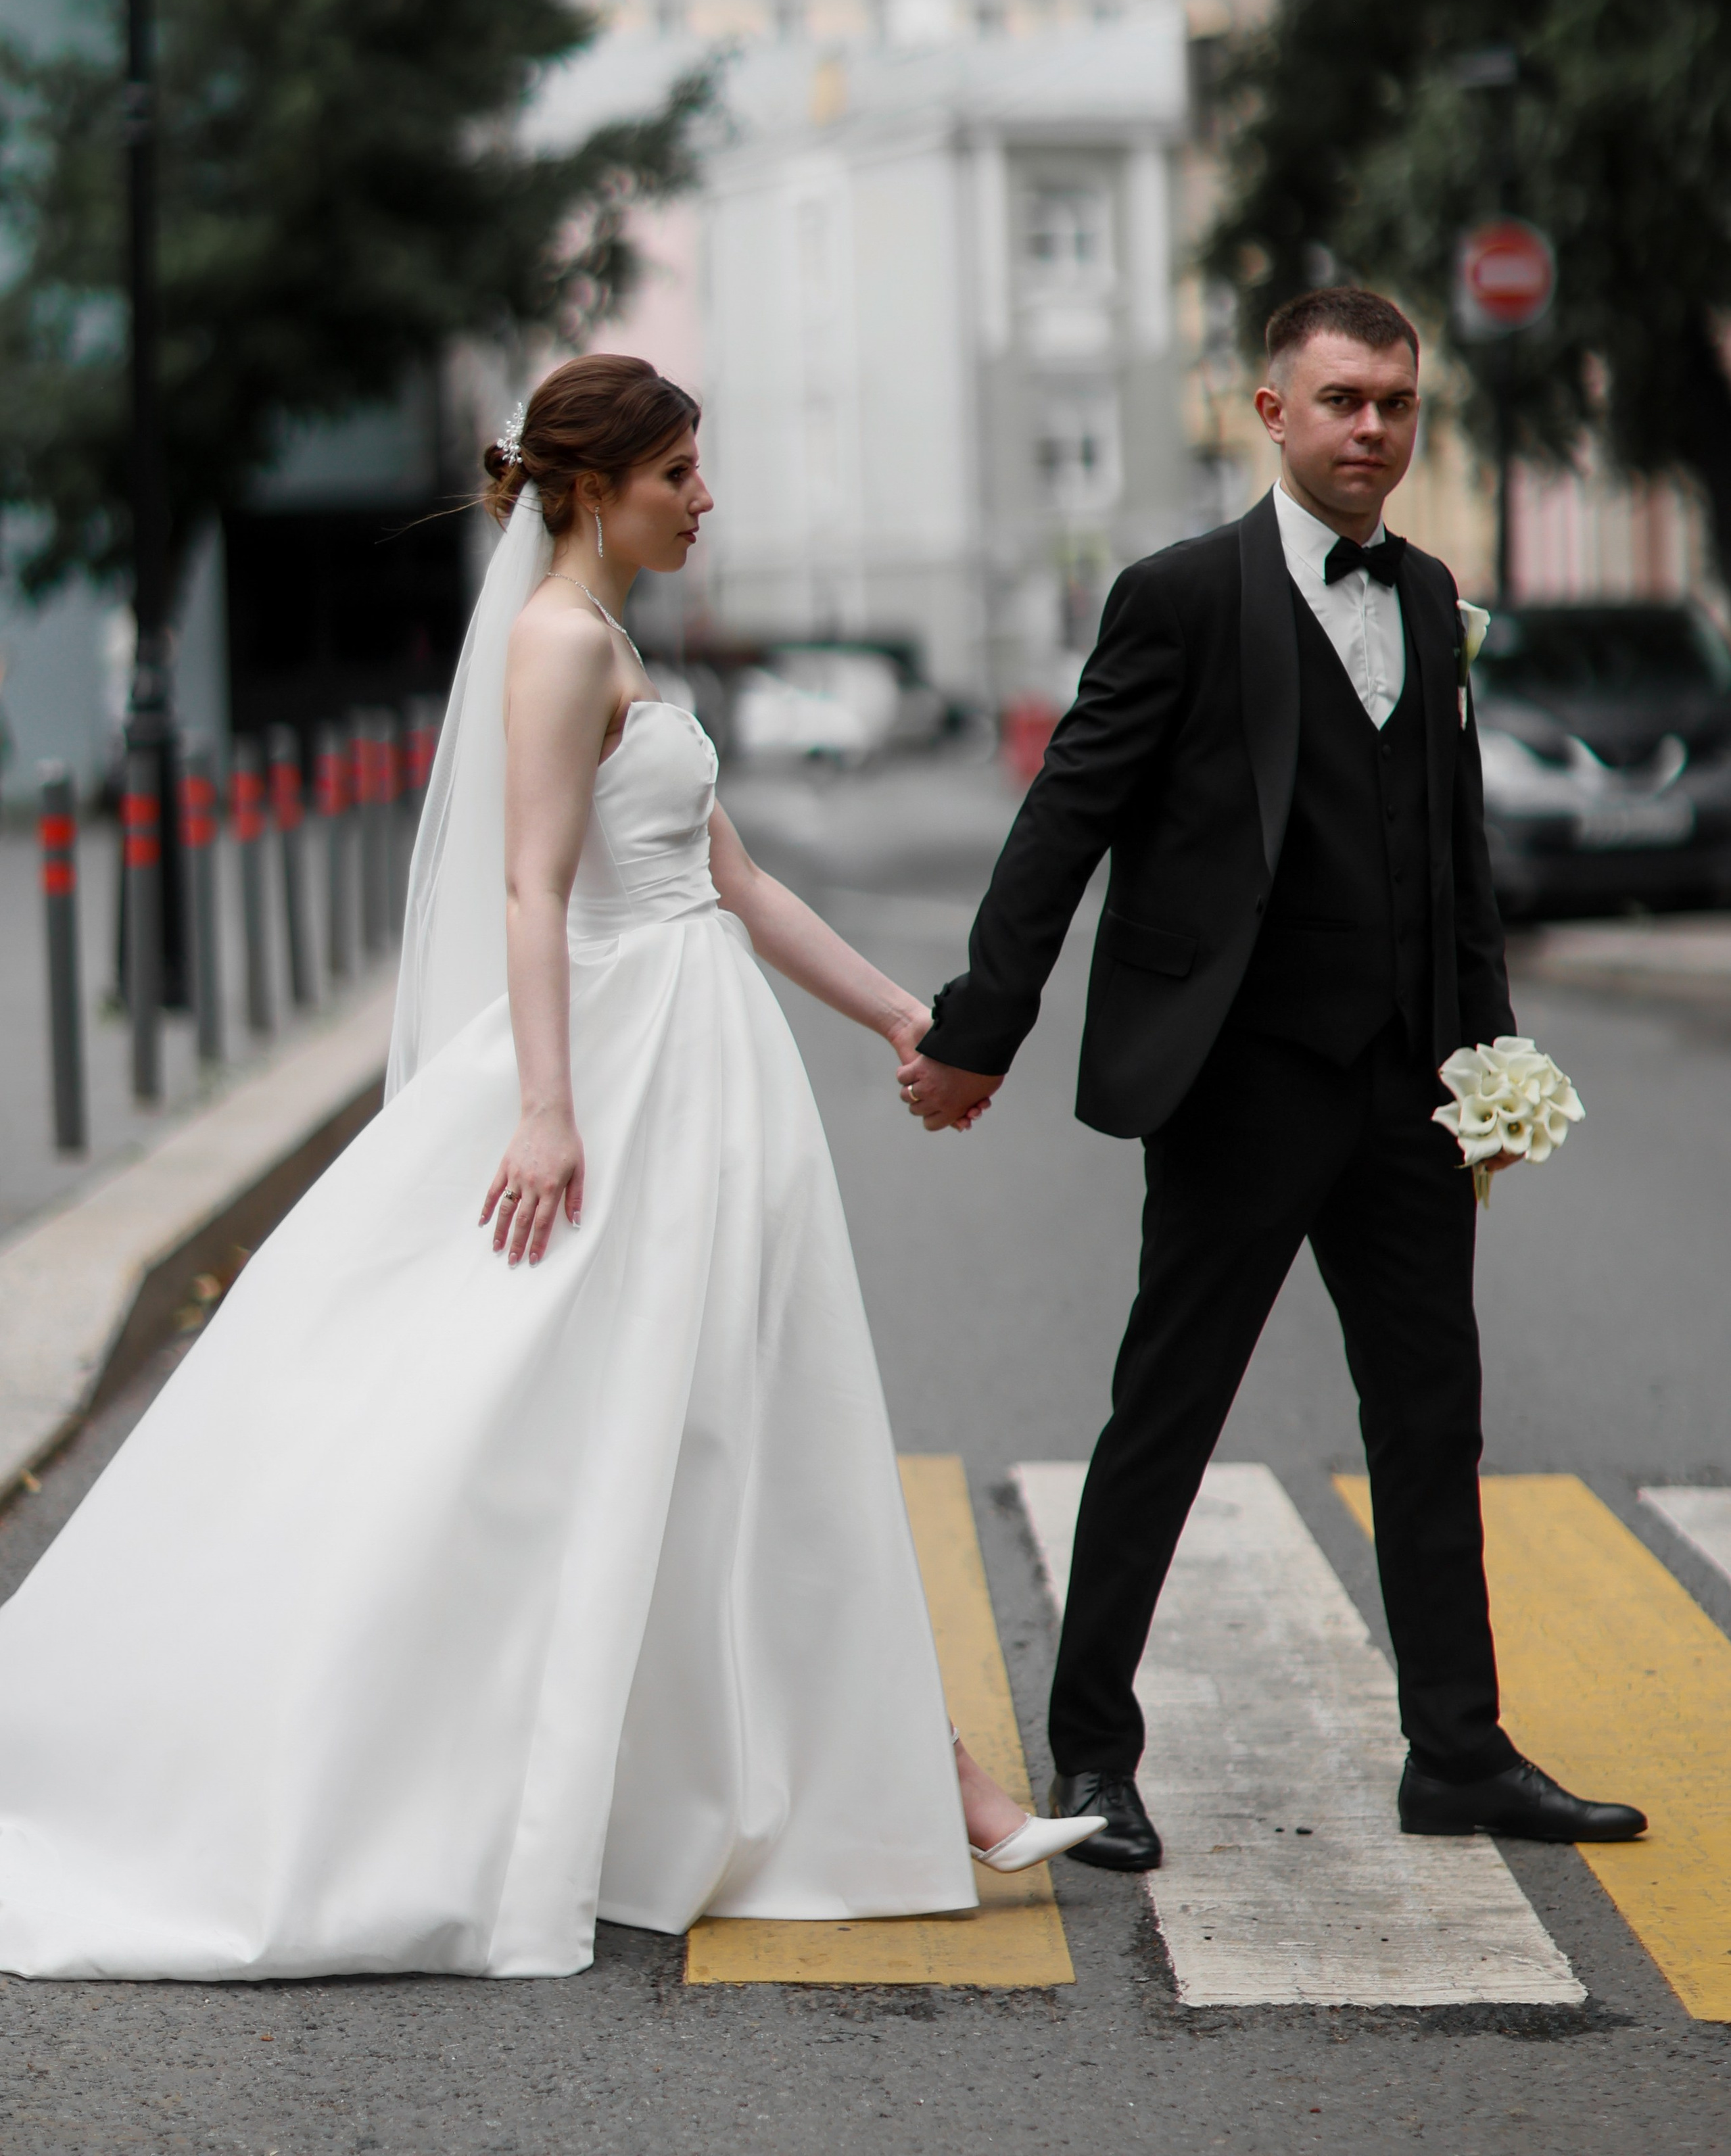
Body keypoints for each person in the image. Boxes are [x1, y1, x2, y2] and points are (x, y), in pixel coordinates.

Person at [0, 354, 1098, 1982]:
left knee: (741, 1418)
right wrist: (542, 1105)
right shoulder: (552, 644)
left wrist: (899, 1017)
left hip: (708, 1067)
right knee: (572, 1429)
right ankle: (881, 1780)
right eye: (680, 476)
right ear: (596, 488)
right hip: (622, 1073)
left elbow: (729, 878)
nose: (705, 499)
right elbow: (529, 890)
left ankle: (910, 1777)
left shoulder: (621, 646)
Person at [897, 288, 1646, 1868]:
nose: (1370, 427)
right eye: (1339, 401)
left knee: (1432, 1416)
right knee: (1164, 1412)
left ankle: (1454, 1751)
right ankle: (1093, 1758)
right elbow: (1066, 819)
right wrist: (981, 1023)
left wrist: (1488, 1060)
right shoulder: (1176, 597)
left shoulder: (1432, 592)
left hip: (1405, 1094)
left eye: (1392, 401)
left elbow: (1452, 861)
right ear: (1268, 412)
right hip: (1234, 1084)